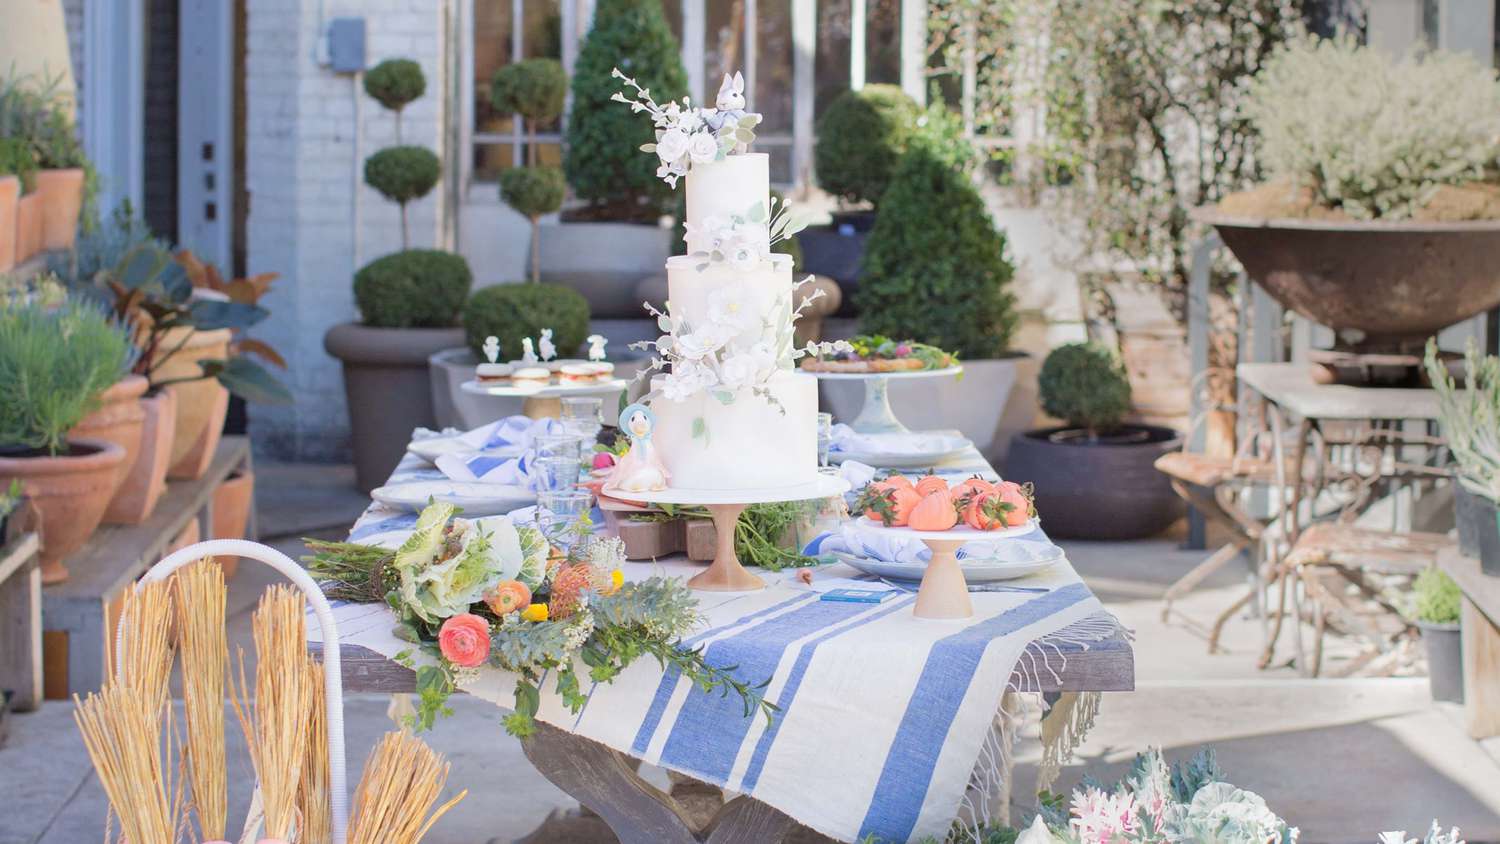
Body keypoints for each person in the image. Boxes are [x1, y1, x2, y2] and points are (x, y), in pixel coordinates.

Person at [608, 403, 669, 492]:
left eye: (644, 418)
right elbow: (635, 454)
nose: (640, 424)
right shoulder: (635, 440)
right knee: (635, 475)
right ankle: (634, 484)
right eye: (633, 419)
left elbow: (651, 453)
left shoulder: (648, 440)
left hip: (650, 464)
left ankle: (655, 483)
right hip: (637, 464)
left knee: (656, 475)